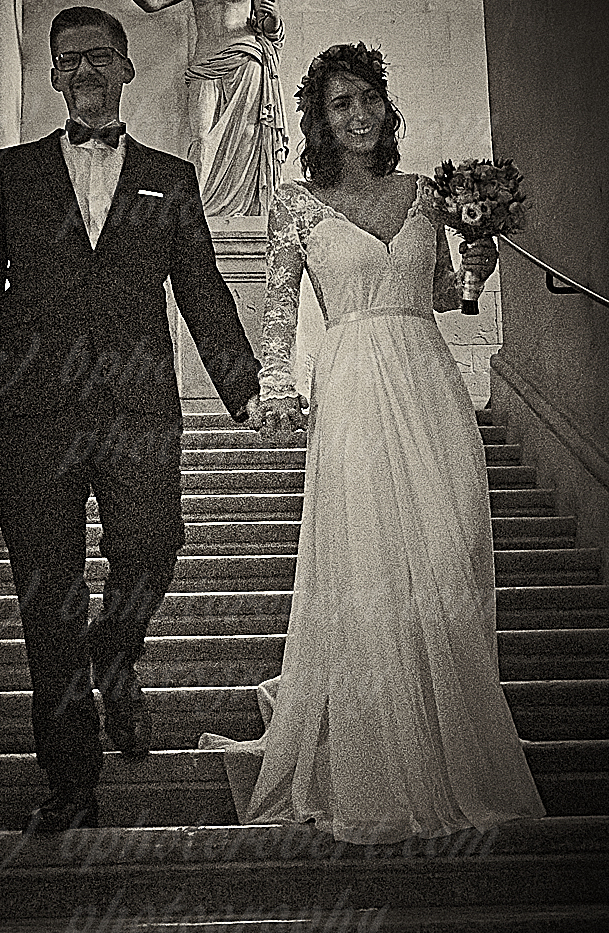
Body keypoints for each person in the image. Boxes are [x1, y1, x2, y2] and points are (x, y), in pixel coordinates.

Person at [200, 42, 546, 843]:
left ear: (387, 107)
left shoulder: (427, 194)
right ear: (320, 121)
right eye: (340, 104)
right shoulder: (297, 203)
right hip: (352, 385)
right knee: (371, 565)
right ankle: (381, 758)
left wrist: (478, 266)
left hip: (429, 384)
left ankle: (453, 742)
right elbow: (279, 306)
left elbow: (443, 298)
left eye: (368, 99)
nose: (358, 115)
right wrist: (275, 385)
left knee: (449, 555)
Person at [0, 5, 261, 834]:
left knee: (153, 547)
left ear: (126, 68)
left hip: (136, 409)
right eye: (68, 59)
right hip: (31, 414)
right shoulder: (10, 173)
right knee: (48, 598)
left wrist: (246, 388)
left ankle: (117, 654)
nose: (83, 70)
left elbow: (202, 290)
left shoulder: (170, 176)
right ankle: (70, 778)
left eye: (98, 57)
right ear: (53, 75)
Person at [98, 0, 288, 216]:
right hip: (205, 66)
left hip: (245, 61)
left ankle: (244, 209)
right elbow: (153, 2)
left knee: (248, 135)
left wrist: (274, 18)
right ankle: (199, 209)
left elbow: (266, 27)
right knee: (201, 138)